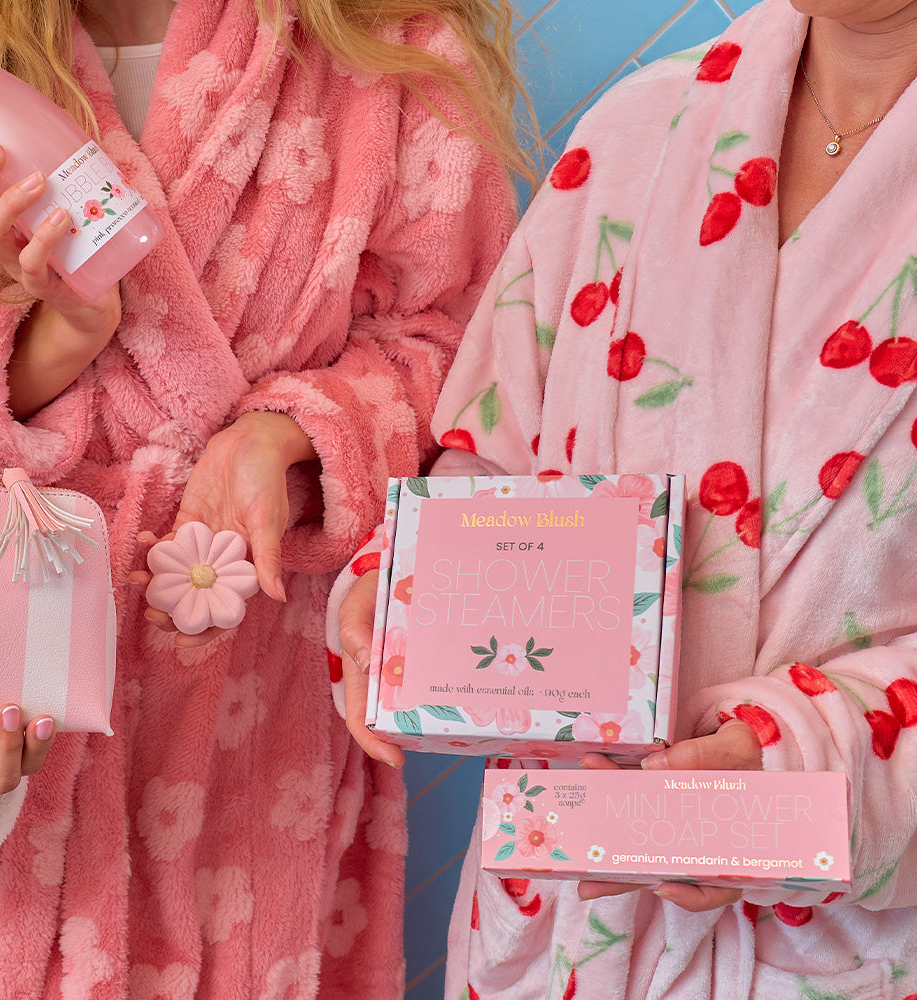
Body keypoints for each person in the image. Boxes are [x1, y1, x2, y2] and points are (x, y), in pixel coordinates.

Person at [0, 0, 527, 995]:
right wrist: (57, 338)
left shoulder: (386, 47)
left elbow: (466, 361)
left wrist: (286, 435)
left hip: (253, 745)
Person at [334, 0, 917, 996]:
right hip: (568, 941)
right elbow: (493, 467)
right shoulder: (635, 132)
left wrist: (795, 761)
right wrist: (411, 603)